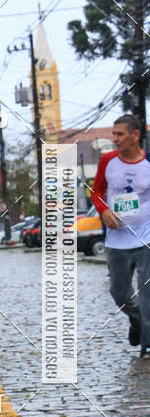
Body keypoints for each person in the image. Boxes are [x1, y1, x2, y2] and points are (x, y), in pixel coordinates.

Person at [91, 114, 150, 359]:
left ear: (135, 135)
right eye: (113, 134)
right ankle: (137, 322)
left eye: (120, 134)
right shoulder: (107, 161)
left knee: (147, 294)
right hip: (117, 241)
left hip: (146, 237)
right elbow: (97, 191)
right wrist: (103, 211)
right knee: (120, 294)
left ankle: (147, 345)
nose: (114, 139)